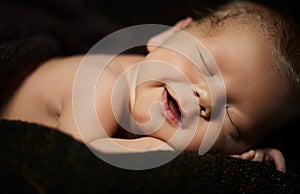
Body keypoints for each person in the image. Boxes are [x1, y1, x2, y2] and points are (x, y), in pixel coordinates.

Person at [0, 0, 299, 173]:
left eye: (231, 122)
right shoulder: (102, 83)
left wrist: (247, 158)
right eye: (205, 66)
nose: (206, 98)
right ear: (167, 36)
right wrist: (149, 147)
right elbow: (66, 159)